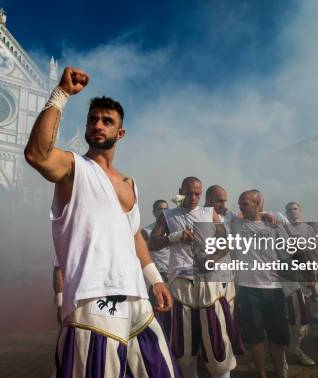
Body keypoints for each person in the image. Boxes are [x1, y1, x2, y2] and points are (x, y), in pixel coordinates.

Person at [25, 66, 178, 376]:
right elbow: (37, 155)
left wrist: (156, 280)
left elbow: (135, 235)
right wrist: (62, 94)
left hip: (136, 297)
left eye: (107, 121)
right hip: (93, 297)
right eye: (93, 119)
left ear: (119, 133)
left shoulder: (130, 183)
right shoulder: (73, 167)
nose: (98, 124)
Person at [150, 177, 238, 378]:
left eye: (197, 193)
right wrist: (175, 237)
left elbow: (226, 242)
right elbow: (153, 243)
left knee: (217, 340)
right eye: (189, 193)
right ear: (181, 191)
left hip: (209, 283)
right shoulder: (167, 215)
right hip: (181, 284)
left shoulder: (209, 213)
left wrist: (212, 259)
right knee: (183, 344)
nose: (193, 197)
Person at [231, 190, 290, 378]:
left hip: (274, 288)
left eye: (245, 203)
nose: (240, 207)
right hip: (248, 290)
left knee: (277, 337)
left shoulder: (275, 224)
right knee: (254, 336)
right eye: (240, 203)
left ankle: (280, 373)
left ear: (258, 204)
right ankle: (262, 374)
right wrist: (263, 214)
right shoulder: (236, 223)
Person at [282, 202, 317, 367]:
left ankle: (295, 348)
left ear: (299, 211)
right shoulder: (280, 228)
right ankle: (288, 352)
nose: (292, 212)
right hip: (283, 277)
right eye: (289, 209)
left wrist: (313, 274)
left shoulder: (308, 229)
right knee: (288, 316)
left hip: (302, 275)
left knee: (305, 314)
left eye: (295, 208)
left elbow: (309, 253)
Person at [142, 199, 172, 339]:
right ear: (154, 213)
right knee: (160, 312)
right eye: (160, 209)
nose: (163, 211)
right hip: (159, 277)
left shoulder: (175, 226)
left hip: (177, 276)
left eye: (166, 208)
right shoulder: (147, 231)